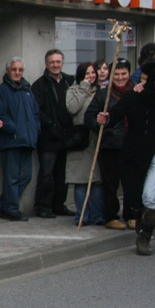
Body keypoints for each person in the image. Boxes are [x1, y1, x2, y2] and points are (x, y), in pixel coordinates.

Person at [105, 60, 155, 253]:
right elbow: (114, 115)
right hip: (137, 154)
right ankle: (144, 231)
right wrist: (104, 118)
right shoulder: (134, 96)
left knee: (150, 197)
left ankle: (145, 234)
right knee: (143, 197)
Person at [84, 59, 133, 230]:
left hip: (132, 145)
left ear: (129, 74)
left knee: (131, 182)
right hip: (109, 145)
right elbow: (88, 118)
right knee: (110, 184)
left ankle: (132, 214)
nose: (120, 77)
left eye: (123, 74)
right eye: (116, 74)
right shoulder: (103, 95)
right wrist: (98, 122)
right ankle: (111, 216)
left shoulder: (136, 91)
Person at [0, 57, 40, 221]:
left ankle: (1, 205)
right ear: (8, 71)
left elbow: (35, 113)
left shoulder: (28, 90)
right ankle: (11, 209)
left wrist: (35, 130)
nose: (17, 72)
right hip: (11, 141)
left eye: (20, 69)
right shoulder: (1, 92)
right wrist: (15, 130)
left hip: (27, 141)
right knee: (11, 178)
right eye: (14, 69)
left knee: (26, 176)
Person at [32, 49, 75, 218]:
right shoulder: (39, 85)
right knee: (46, 173)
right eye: (52, 62)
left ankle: (59, 205)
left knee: (62, 174)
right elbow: (37, 109)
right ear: (47, 64)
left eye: (58, 62)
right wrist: (50, 124)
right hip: (48, 137)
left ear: (62, 63)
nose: (55, 65)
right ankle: (42, 207)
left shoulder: (69, 81)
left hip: (66, 136)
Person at [64, 62, 104, 225]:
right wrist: (83, 89)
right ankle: (82, 216)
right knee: (80, 180)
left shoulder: (100, 91)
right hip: (80, 139)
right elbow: (72, 108)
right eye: (87, 73)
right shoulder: (73, 90)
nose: (91, 76)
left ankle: (97, 215)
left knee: (96, 180)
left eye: (93, 73)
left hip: (96, 139)